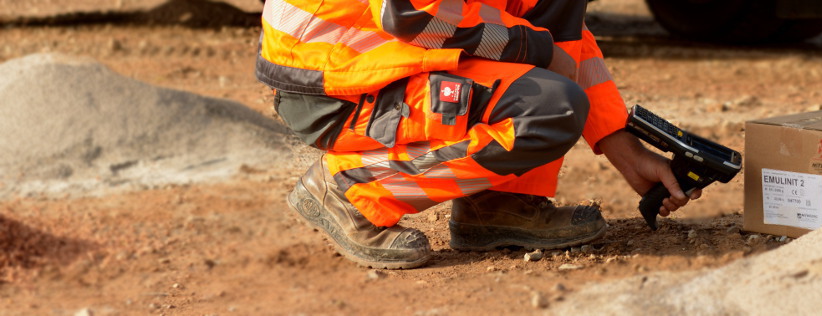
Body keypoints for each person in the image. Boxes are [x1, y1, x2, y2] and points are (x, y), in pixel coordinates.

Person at [256, 0, 700, 269]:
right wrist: (536, 48)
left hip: (398, 62)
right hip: (337, 88)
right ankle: (353, 188)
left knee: (550, 82)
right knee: (545, 109)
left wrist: (623, 147)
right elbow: (410, 13)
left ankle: (500, 202)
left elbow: (562, 37)